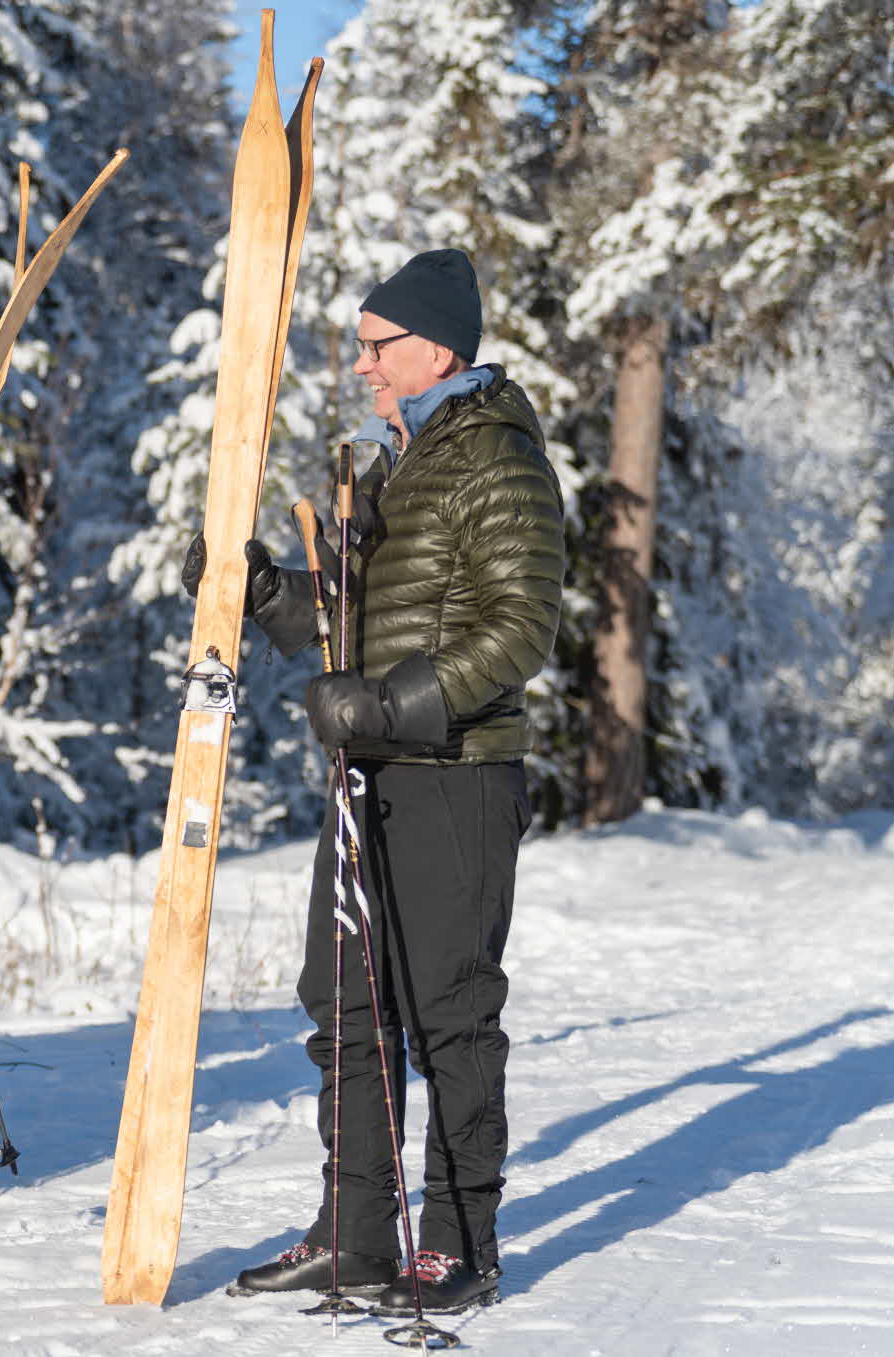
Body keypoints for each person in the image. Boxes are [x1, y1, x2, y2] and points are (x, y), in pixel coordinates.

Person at [192, 250, 564, 1314]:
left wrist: (391, 706)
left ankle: (456, 1240)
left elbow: (519, 627)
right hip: (374, 776)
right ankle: (355, 1235)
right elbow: (347, 626)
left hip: (456, 776)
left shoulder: (495, 458)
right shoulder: (399, 459)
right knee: (345, 1001)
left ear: (436, 347)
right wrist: (262, 591)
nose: (361, 365)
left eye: (377, 345)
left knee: (448, 1009)